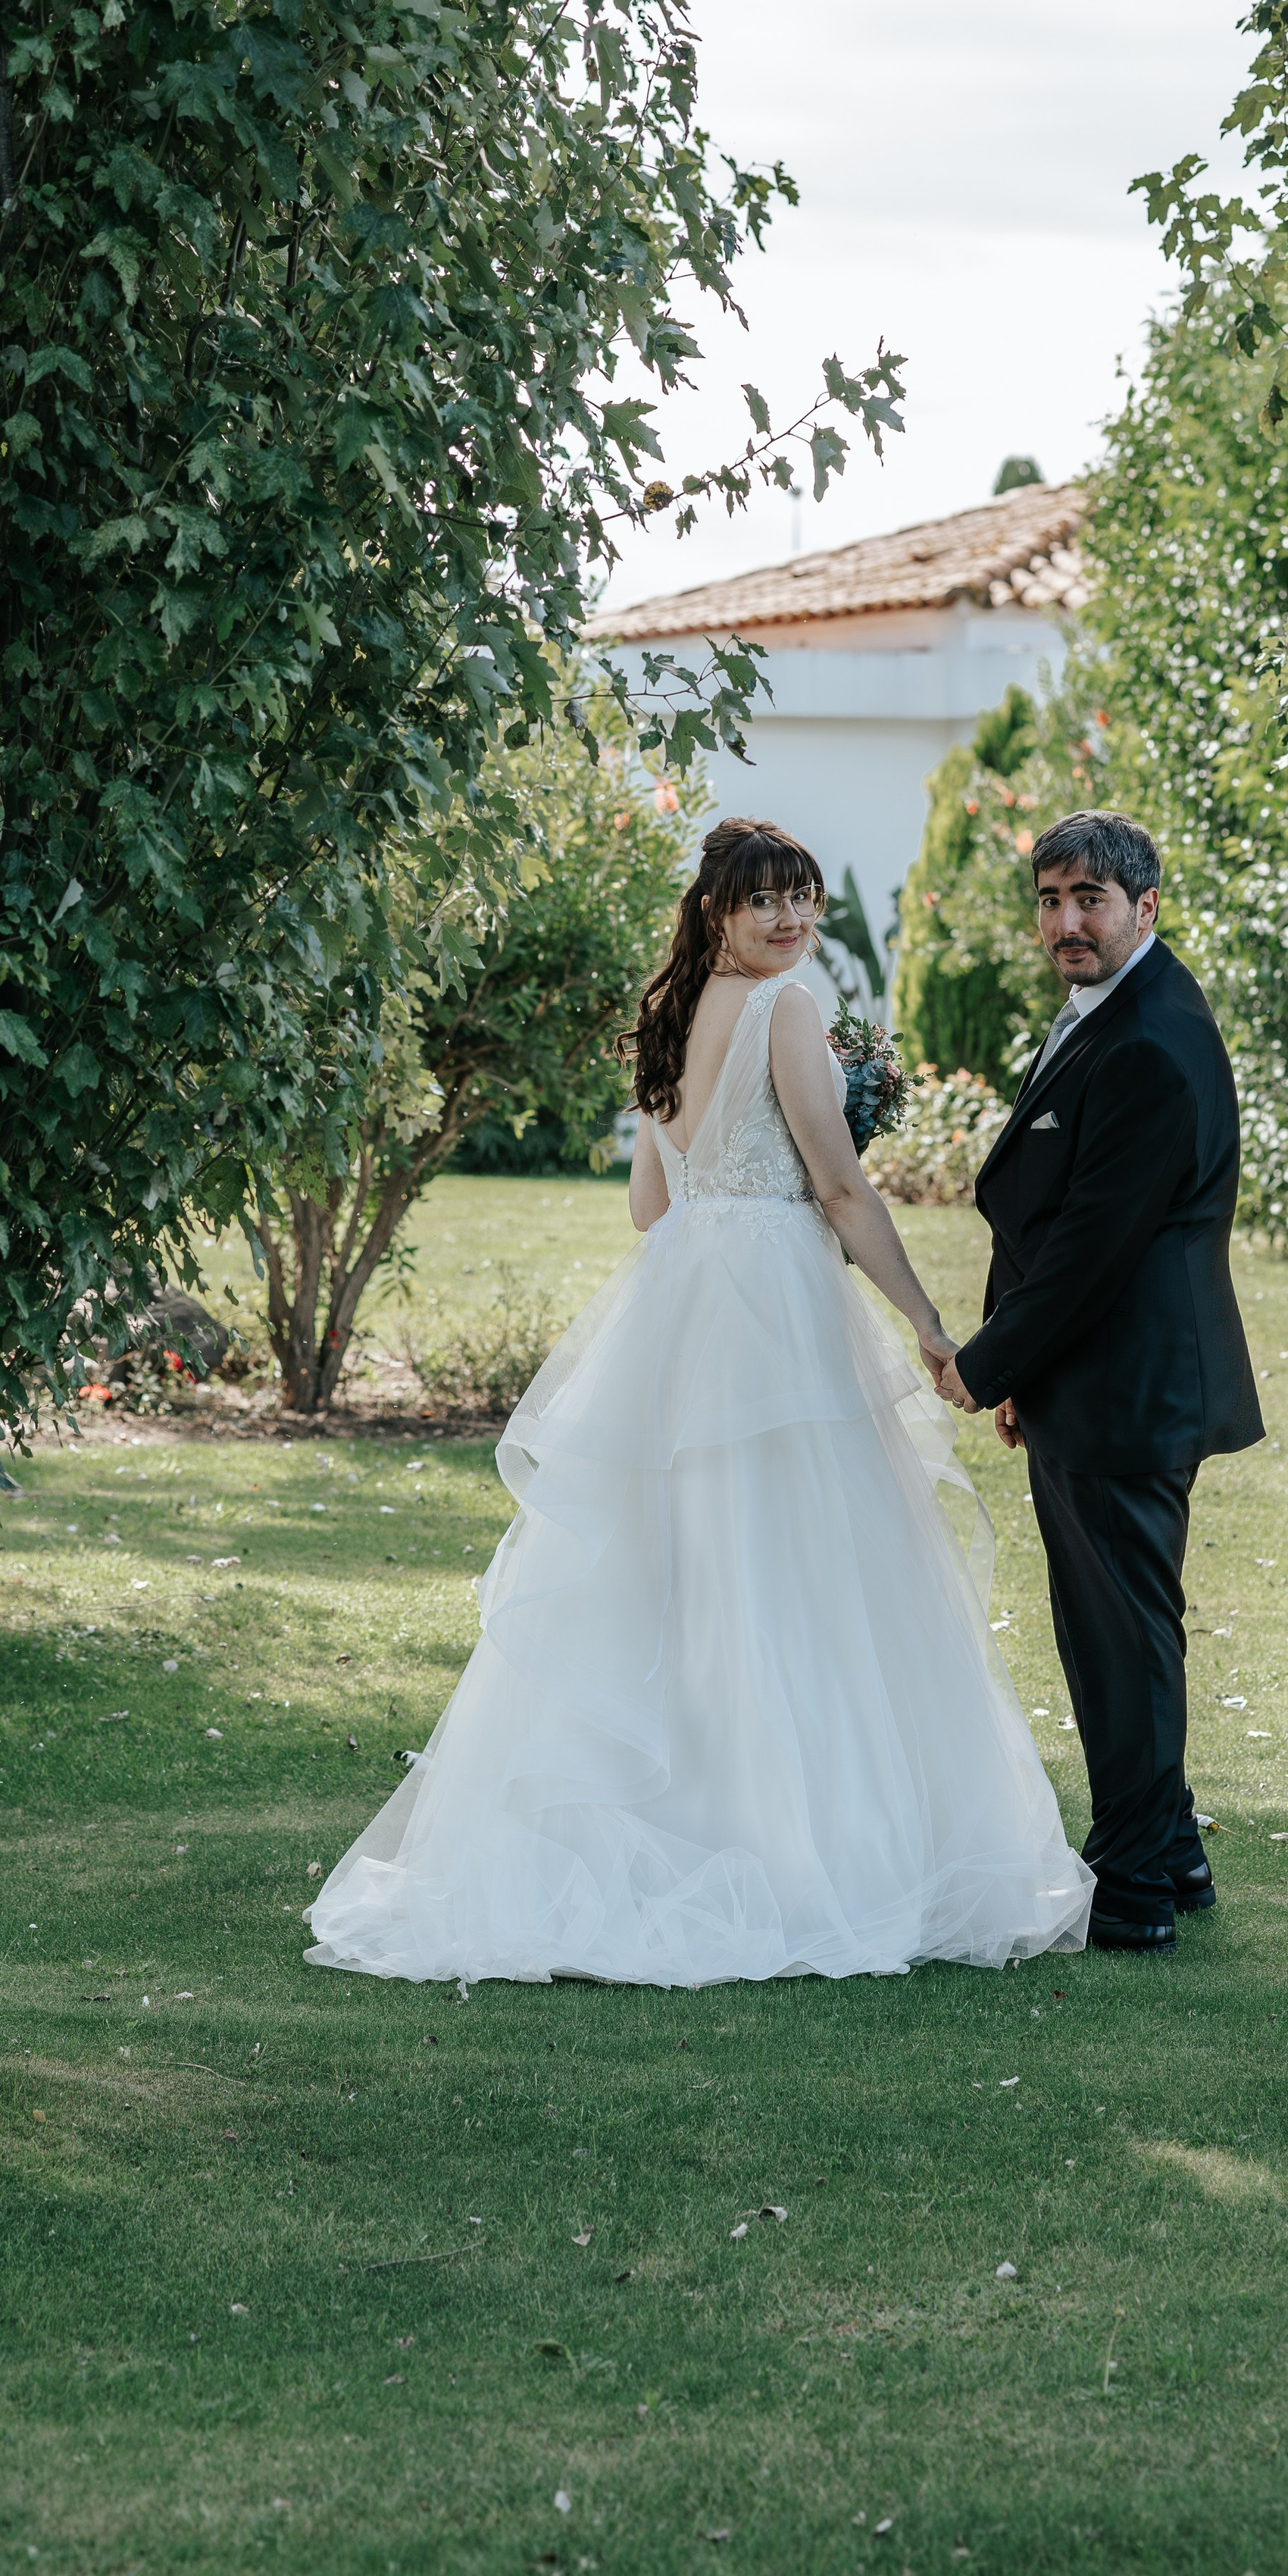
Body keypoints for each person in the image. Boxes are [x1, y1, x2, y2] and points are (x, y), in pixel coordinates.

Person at [305, 816, 1093, 1988]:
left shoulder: (672, 1013)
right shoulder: (790, 1008)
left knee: (690, 1564)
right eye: (766, 902)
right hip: (770, 1298)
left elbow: (647, 1211)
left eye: (806, 901)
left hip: (685, 1303)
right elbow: (835, 1184)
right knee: (796, 1562)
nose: (793, 923)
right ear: (716, 909)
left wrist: (742, 1177)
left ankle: (689, 1814)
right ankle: (799, 1848)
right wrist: (929, 1323)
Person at [938, 810, 1262, 1956]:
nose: (1067, 922)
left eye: (1090, 900)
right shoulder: (1113, 1010)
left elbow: (1090, 1247)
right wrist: (1024, 1368)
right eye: (1051, 900)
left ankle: (1130, 1892)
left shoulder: (1147, 1041)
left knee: (1119, 1641)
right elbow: (1042, 1213)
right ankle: (1171, 1851)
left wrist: (984, 1366)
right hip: (1097, 1379)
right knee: (1123, 1632)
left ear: (1145, 908)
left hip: (1126, 1386)